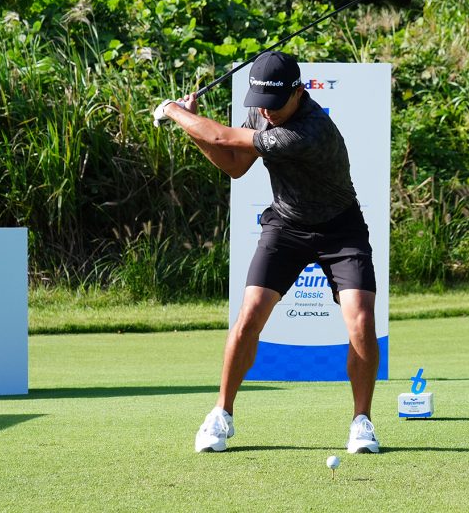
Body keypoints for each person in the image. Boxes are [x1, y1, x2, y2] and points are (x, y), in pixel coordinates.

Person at [154, 50, 381, 454]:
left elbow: (222, 138)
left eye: (275, 104)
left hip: (340, 229)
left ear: (298, 92)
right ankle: (221, 414)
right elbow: (235, 165)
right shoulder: (263, 110)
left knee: (361, 320)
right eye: (261, 102)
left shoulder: (310, 130)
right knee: (249, 315)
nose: (266, 111)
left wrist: (174, 111)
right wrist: (193, 126)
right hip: (287, 225)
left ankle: (361, 421)